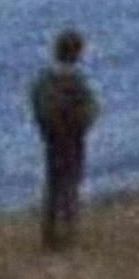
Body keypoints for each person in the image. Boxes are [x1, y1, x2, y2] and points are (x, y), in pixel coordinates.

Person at [27, 29, 97, 250]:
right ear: (77, 53)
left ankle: (50, 231)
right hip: (72, 137)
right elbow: (90, 110)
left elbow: (37, 106)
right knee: (71, 182)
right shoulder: (76, 82)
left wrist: (45, 129)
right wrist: (81, 127)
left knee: (53, 182)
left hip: (52, 138)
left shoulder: (44, 80)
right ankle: (67, 229)